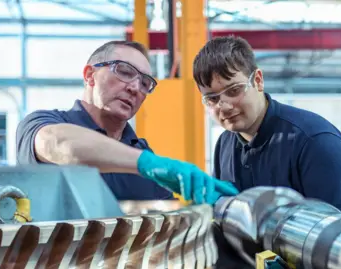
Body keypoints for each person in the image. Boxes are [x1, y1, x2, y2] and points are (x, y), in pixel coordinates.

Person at [193, 36, 341, 268]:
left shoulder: (315, 142)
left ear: (258, 80)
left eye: (234, 90)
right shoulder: (225, 144)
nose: (225, 106)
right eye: (212, 99)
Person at [16, 40, 238, 205]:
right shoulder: (42, 123)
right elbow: (58, 143)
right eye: (124, 71)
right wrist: (146, 164)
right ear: (89, 75)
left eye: (145, 83)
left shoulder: (143, 154)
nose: (134, 88)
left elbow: (166, 221)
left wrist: (213, 206)